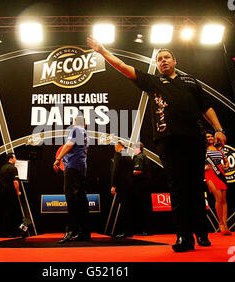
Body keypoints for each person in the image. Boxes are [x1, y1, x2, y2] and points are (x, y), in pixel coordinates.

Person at [87, 36, 227, 252]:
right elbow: (124, 67)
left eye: (167, 57)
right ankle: (184, 236)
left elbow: (206, 108)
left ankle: (201, 231)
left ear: (175, 61)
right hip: (168, 142)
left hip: (194, 139)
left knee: (196, 185)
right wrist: (103, 51)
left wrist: (218, 129)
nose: (163, 61)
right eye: (159, 58)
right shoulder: (153, 82)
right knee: (178, 186)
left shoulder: (190, 81)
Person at [54, 115, 91, 243]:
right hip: (82, 169)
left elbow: (69, 145)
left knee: (71, 199)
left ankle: (71, 230)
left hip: (73, 168)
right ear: (85, 124)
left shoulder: (76, 130)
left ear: (75, 123)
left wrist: (58, 159)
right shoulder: (86, 134)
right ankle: (85, 233)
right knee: (81, 199)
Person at [204, 131, 231, 235]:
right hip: (210, 174)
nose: (210, 138)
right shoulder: (203, 150)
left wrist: (226, 165)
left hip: (221, 174)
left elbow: (226, 160)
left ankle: (225, 223)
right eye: (208, 137)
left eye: (211, 136)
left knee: (224, 200)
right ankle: (220, 223)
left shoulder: (219, 150)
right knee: (218, 198)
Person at [0, 152, 23, 237]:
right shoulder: (13, 168)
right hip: (11, 193)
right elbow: (15, 182)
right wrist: (17, 192)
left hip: (2, 193)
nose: (15, 160)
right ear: (11, 158)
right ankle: (11, 233)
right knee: (11, 212)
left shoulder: (2, 167)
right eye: (15, 158)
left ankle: (3, 232)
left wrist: (0, 189)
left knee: (3, 212)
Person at [110, 140, 135, 238]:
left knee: (124, 208)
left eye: (115, 146)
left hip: (122, 185)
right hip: (129, 185)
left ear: (118, 146)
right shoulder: (128, 155)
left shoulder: (118, 154)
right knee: (128, 208)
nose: (114, 148)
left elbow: (115, 170)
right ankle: (129, 230)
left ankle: (125, 231)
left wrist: (113, 185)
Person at [132, 142, 152, 236]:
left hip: (141, 186)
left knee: (142, 208)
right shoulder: (142, 156)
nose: (133, 150)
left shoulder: (140, 157)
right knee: (144, 208)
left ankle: (145, 230)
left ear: (138, 148)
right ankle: (145, 229)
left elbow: (138, 171)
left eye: (134, 148)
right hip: (144, 186)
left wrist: (128, 172)